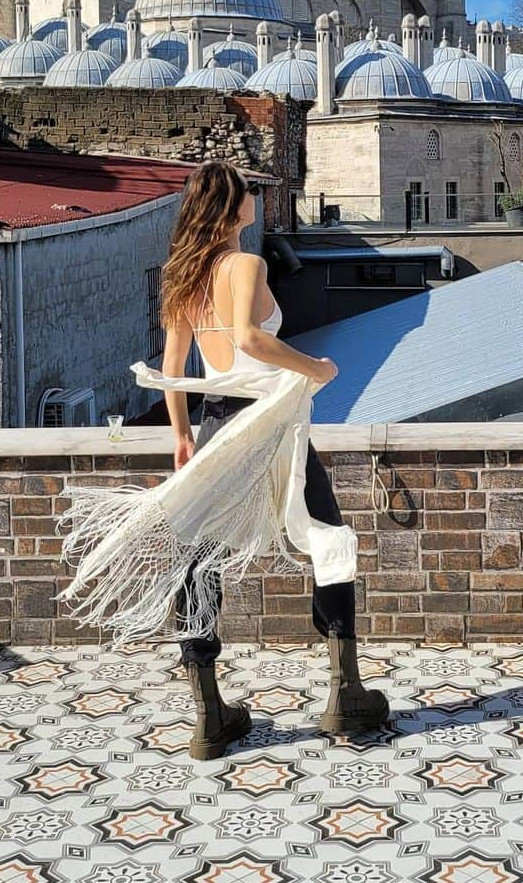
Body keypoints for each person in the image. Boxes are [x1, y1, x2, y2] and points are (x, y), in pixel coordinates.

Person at [160, 159, 389, 759]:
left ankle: (209, 711)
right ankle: (346, 690)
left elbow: (173, 369)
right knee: (327, 537)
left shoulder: (182, 275)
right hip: (269, 426)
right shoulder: (247, 263)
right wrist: (318, 370)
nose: (255, 200)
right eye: (247, 193)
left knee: (198, 560)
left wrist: (183, 438)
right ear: (231, 206)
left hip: (214, 424)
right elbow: (249, 339)